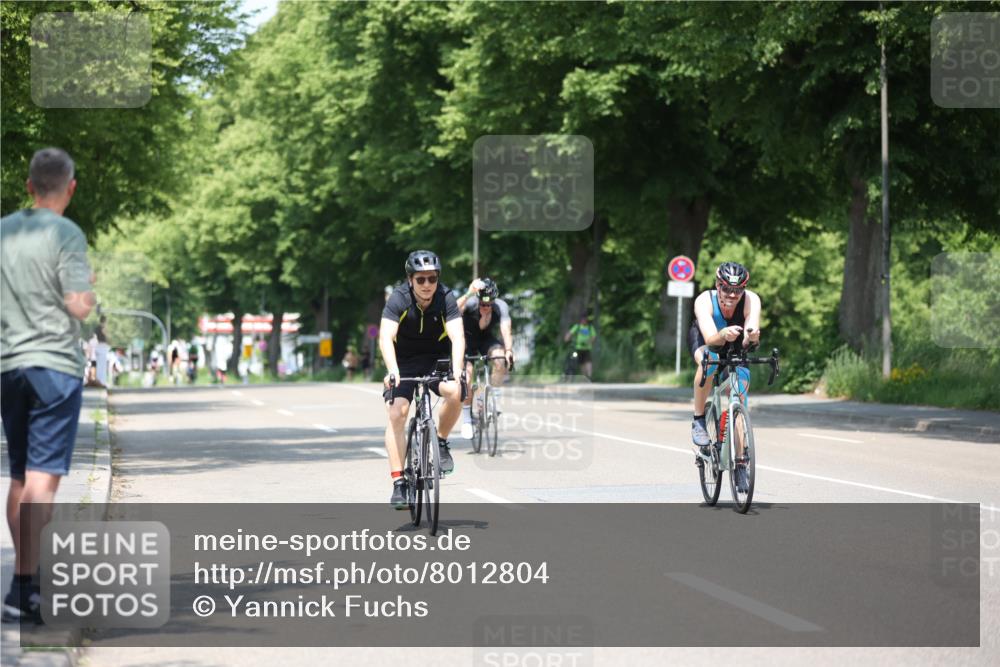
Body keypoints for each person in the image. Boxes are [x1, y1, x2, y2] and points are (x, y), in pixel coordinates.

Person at [1, 147, 95, 623]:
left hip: (8, 365)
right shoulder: (66, 233)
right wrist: (90, 290)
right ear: (71, 188)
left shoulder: (3, 231)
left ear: (29, 185)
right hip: (54, 367)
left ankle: (25, 584)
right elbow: (78, 305)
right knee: (42, 479)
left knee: (19, 477)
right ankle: (26, 588)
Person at [379, 250, 466, 509]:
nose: (427, 284)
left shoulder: (446, 297)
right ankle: (399, 482)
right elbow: (385, 337)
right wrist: (392, 370)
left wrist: (458, 370)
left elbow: (458, 337)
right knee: (397, 412)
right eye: (421, 279)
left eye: (432, 278)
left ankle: (440, 440)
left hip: (435, 359)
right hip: (403, 361)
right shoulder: (399, 299)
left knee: (457, 392)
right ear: (410, 280)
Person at [688, 261, 761, 492]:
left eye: (737, 290)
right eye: (726, 288)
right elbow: (711, 339)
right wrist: (722, 334)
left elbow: (750, 332)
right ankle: (699, 419)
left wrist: (752, 337)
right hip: (707, 339)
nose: (731, 295)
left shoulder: (751, 300)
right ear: (717, 285)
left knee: (739, 394)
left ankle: (740, 462)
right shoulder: (704, 300)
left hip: (735, 343)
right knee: (709, 362)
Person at [456, 277, 514, 439]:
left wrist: (509, 350)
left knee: (500, 358)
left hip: (486, 340)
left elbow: (506, 329)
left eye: (489, 304)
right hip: (467, 339)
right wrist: (468, 293)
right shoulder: (470, 303)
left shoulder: (501, 306)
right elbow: (452, 310)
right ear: (478, 300)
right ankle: (467, 419)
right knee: (467, 377)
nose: (486, 307)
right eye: (483, 304)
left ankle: (493, 397)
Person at [563, 314, 596, 379]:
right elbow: (570, 333)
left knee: (588, 361)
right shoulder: (577, 326)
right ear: (581, 320)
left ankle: (589, 375)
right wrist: (567, 338)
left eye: (585, 319)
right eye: (582, 319)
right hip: (578, 348)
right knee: (581, 363)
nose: (584, 321)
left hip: (587, 348)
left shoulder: (590, 327)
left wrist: (590, 341)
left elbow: (593, 336)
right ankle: (584, 377)